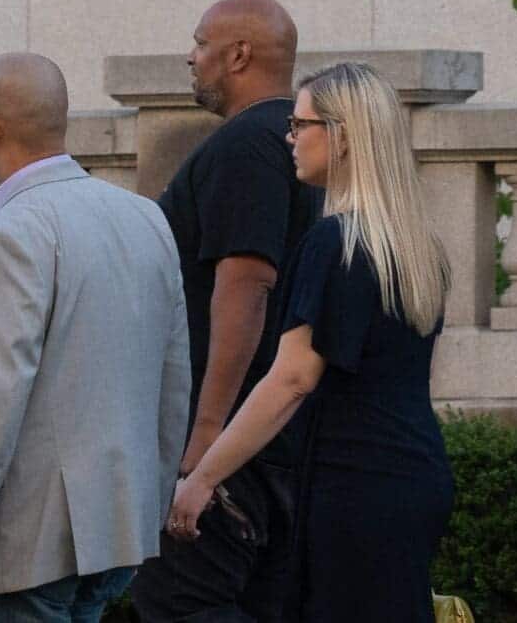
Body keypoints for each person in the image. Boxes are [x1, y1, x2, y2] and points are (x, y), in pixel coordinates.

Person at [166, 62, 454, 623]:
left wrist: (202, 477)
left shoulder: (333, 244)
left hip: (353, 483)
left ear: (341, 136)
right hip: (413, 471)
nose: (290, 138)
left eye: (300, 125)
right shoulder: (416, 247)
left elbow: (292, 379)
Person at [0, 52, 190, 621]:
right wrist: (150, 508)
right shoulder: (145, 218)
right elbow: (172, 382)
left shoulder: (12, 232)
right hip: (119, 532)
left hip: (25, 548)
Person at [130, 0, 323, 622]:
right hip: (266, 437)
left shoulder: (247, 145)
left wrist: (205, 441)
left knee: (179, 602)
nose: (191, 57)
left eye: (201, 43)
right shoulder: (286, 143)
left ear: (238, 55)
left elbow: (246, 286)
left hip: (230, 443)